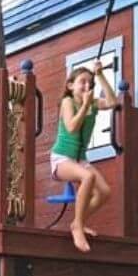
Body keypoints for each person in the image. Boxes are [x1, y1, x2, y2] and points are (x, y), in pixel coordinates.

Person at [50, 59, 118, 252]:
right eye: (83, 81)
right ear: (71, 85)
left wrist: (101, 76)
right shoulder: (67, 102)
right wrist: (85, 105)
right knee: (87, 177)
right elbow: (71, 127)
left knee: (104, 192)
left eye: (90, 83)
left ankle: (77, 222)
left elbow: (113, 102)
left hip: (80, 159)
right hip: (62, 158)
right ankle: (78, 228)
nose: (87, 85)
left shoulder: (93, 103)